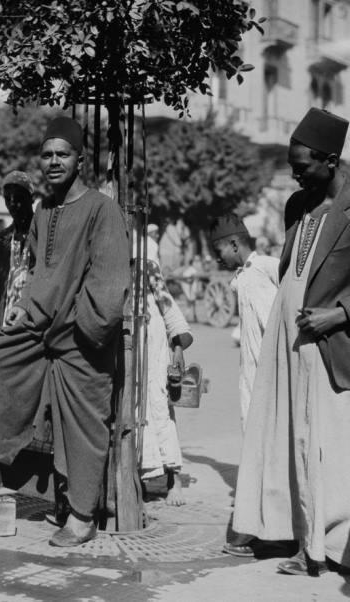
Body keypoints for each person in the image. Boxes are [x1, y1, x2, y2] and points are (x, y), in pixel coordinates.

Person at [0, 117, 130, 547]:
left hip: (82, 337)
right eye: (46, 155)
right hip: (39, 327)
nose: (53, 162)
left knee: (83, 425)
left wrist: (81, 326)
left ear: (80, 159)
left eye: (62, 154)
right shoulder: (45, 210)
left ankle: (82, 515)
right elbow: (37, 273)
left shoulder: (103, 209)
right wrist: (22, 311)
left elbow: (107, 284)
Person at [233, 108, 350, 576]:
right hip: (287, 342)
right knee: (283, 435)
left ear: (330, 160)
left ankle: (328, 545)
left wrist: (339, 314)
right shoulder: (297, 205)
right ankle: (287, 531)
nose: (294, 174)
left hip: (329, 342)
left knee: (323, 445)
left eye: (302, 165)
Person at [210, 215, 280, 432]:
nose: (218, 259)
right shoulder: (241, 277)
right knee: (251, 418)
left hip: (269, 364)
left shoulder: (265, 267)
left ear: (233, 245)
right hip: (250, 362)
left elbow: (273, 322)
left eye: (218, 252)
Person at [140, 235, 193, 506]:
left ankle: (174, 480)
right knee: (133, 412)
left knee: (160, 406)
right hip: (126, 342)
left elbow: (166, 302)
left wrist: (178, 347)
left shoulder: (146, 246)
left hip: (155, 339)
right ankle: (139, 478)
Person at [0, 170, 35, 345]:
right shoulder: (0, 241)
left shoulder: (44, 235)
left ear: (31, 199)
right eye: (8, 199)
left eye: (18, 198)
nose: (13, 204)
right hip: (6, 326)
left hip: (35, 325)